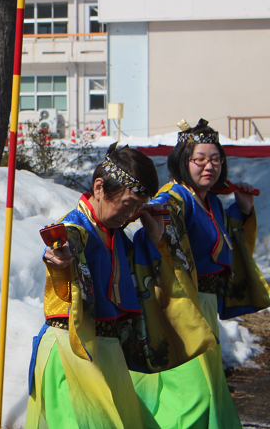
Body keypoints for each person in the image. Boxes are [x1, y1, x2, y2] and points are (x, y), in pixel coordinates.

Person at [26, 144, 216, 429]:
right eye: (128, 205)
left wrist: (152, 238)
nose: (131, 215)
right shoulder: (77, 227)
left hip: (107, 351)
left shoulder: (116, 236)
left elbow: (140, 275)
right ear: (99, 187)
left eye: (138, 208)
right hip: (73, 350)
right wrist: (59, 254)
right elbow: (67, 240)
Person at [130, 119, 270, 429]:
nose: (210, 166)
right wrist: (152, 212)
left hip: (203, 305)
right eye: (200, 159)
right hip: (181, 305)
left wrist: (243, 210)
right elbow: (158, 212)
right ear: (183, 160)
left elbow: (224, 245)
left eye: (216, 159)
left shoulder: (212, 203)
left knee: (209, 391)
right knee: (191, 394)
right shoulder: (176, 198)